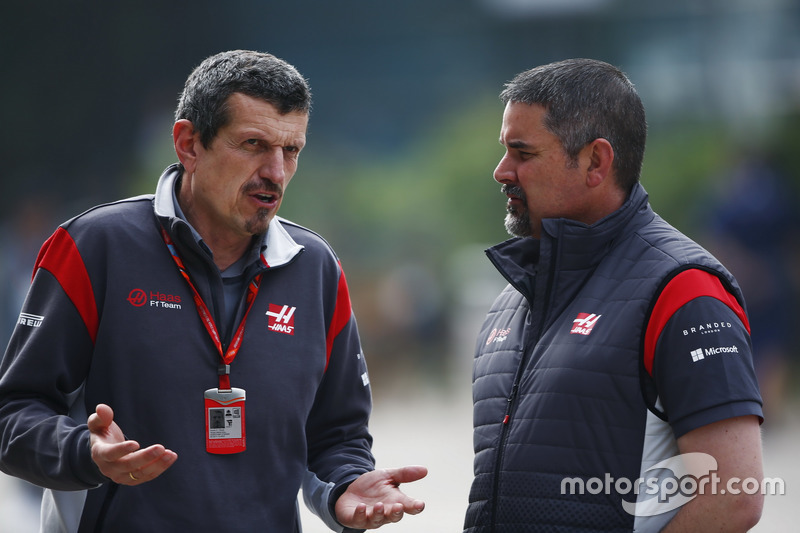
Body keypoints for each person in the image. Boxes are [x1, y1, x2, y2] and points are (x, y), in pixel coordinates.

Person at [0, 50, 426, 533]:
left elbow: (337, 433)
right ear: (189, 144)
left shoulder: (316, 268)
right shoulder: (94, 246)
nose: (276, 172)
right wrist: (84, 451)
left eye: (291, 151)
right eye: (253, 144)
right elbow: (13, 413)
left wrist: (347, 485)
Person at [465, 59, 764, 532]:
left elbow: (734, 497)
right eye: (505, 151)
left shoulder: (682, 289)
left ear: (596, 162)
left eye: (522, 153)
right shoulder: (515, 296)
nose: (501, 171)